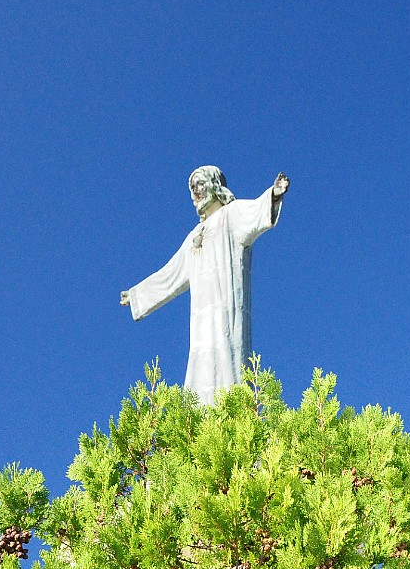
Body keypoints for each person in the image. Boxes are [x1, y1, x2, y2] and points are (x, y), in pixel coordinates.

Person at [121, 166, 289, 404]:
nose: (195, 192)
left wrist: (274, 194)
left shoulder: (231, 215)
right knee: (202, 358)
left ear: (215, 186)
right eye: (192, 188)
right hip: (201, 317)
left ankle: (233, 407)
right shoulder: (193, 237)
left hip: (227, 305)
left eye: (200, 184)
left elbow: (256, 211)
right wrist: (138, 295)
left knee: (228, 353)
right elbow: (170, 274)